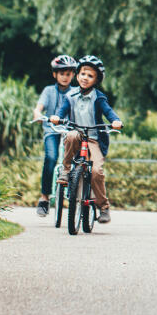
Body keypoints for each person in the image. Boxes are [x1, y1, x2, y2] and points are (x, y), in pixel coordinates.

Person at [51, 55, 123, 224]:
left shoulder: (99, 97)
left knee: (97, 172)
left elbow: (108, 112)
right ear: (77, 76)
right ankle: (66, 170)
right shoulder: (70, 96)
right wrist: (57, 117)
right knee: (70, 135)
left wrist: (115, 121)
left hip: (94, 139)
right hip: (77, 135)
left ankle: (103, 206)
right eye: (83, 74)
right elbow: (62, 110)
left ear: (96, 80)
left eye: (90, 76)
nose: (85, 78)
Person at [32, 54, 77, 217]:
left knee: (76, 160)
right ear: (55, 74)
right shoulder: (48, 91)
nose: (65, 77)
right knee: (51, 158)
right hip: (52, 130)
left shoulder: (76, 92)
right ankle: (44, 198)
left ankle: (76, 193)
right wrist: (38, 114)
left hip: (70, 131)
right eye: (62, 73)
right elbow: (39, 108)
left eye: (68, 74)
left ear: (73, 75)